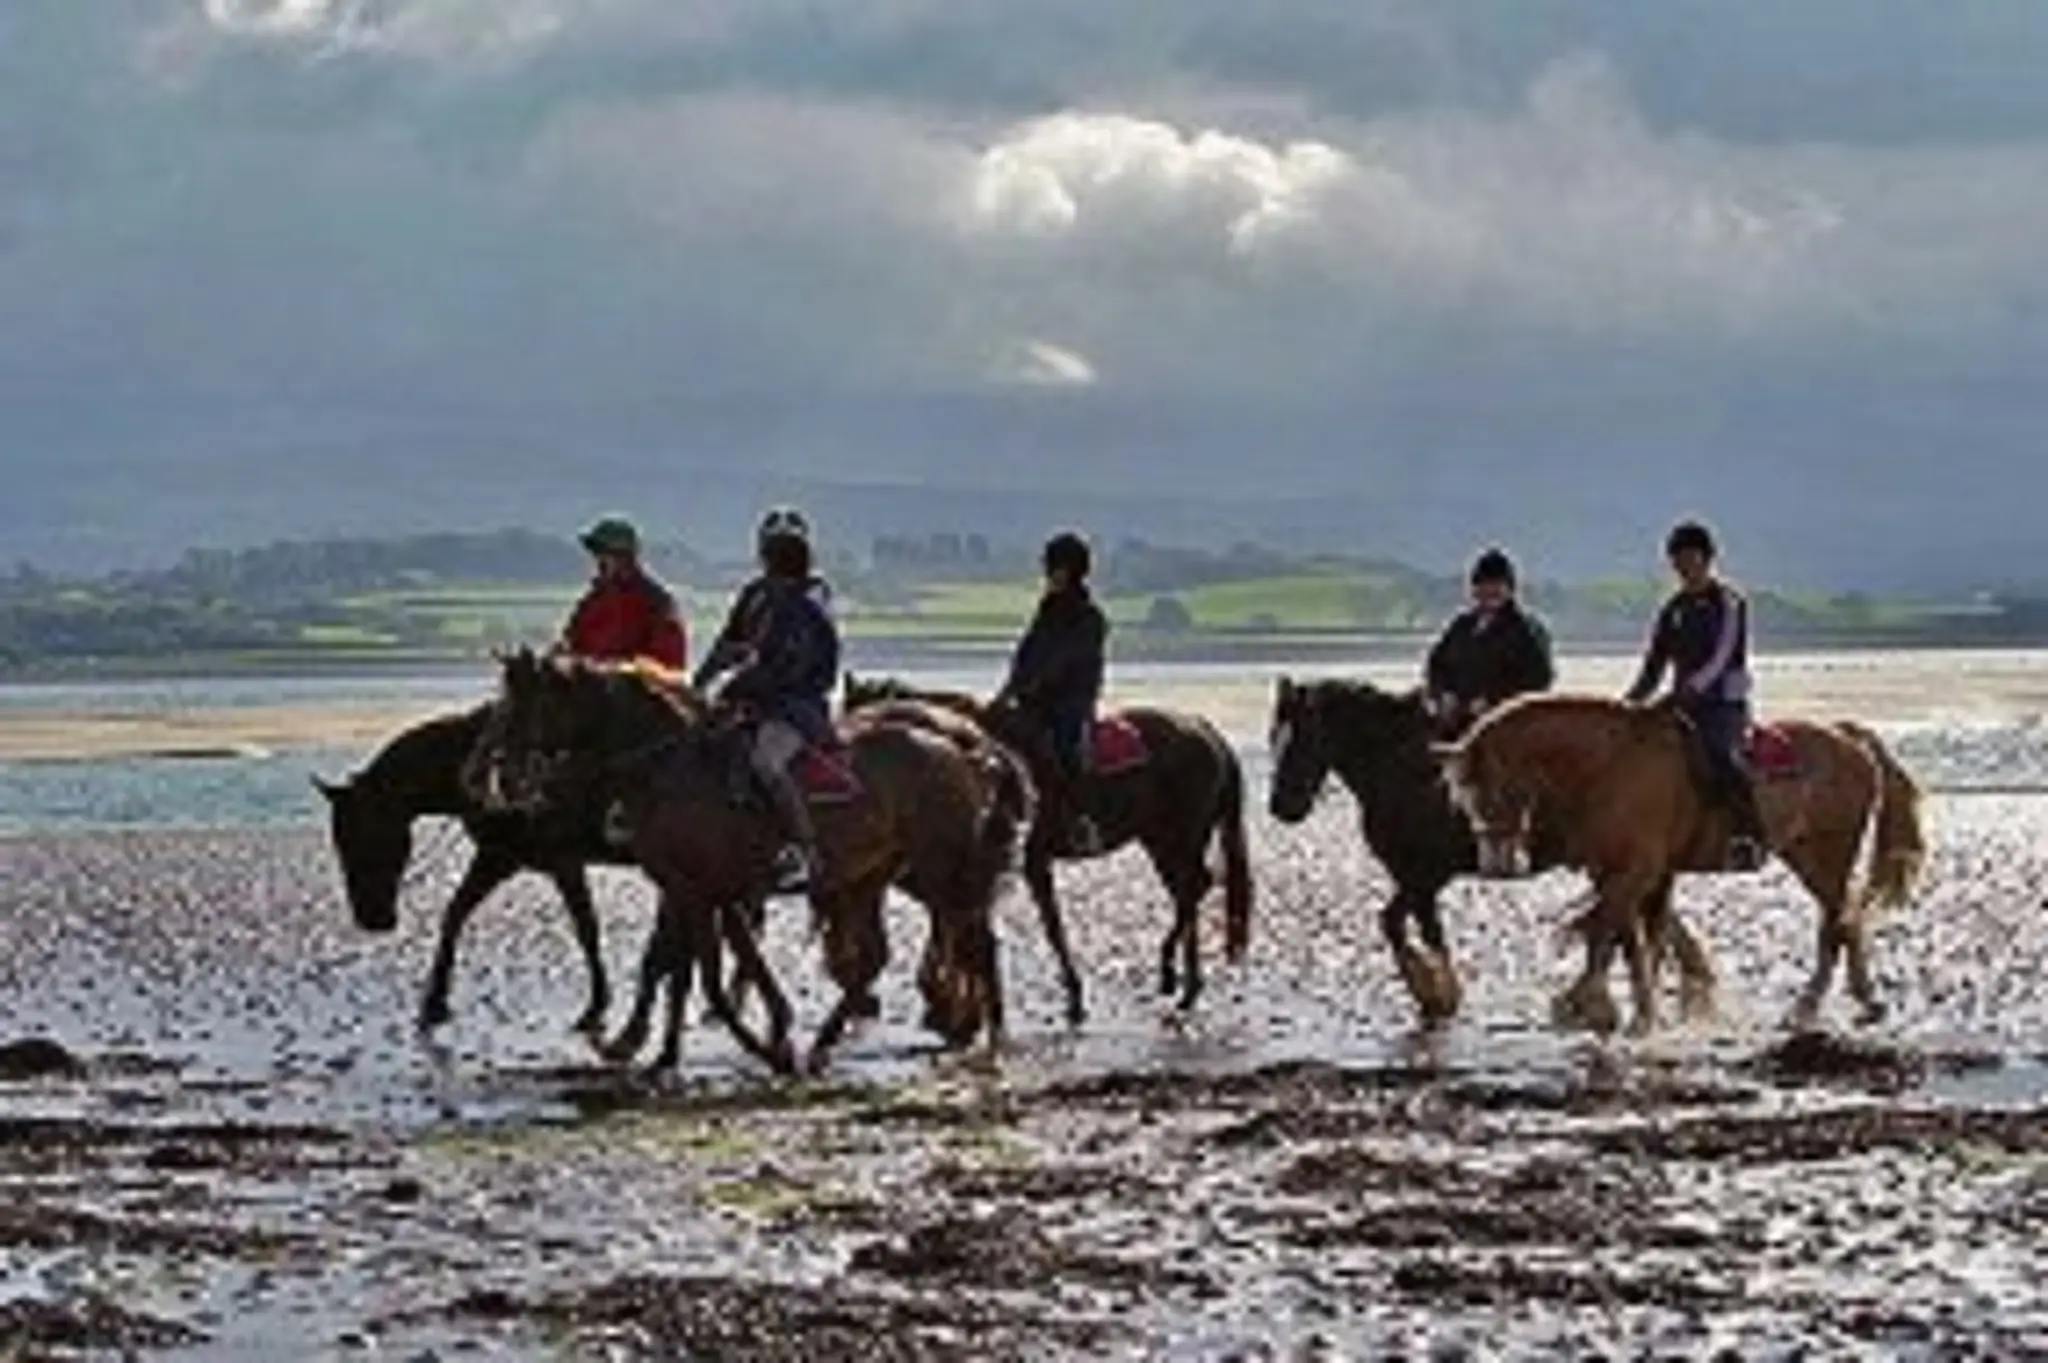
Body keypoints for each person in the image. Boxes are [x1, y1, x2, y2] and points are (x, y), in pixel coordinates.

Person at [693, 507, 842, 887]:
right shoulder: (755, 594)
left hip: (797, 707)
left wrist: (738, 687)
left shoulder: (811, 600)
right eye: (775, 549)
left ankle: (802, 849)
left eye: (787, 548)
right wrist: (699, 684)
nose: (779, 556)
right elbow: (729, 644)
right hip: (757, 701)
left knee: (767, 761)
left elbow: (790, 664)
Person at [1624, 519, 1765, 870]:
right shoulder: (1672, 609)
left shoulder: (1729, 603)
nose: (1684, 568)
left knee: (1721, 756)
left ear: (1707, 559)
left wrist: (1688, 691)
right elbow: (1654, 663)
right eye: (1678, 561)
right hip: (1683, 704)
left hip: (1721, 704)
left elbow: (1721, 656)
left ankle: (1747, 836)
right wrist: (1629, 704)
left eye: (1690, 559)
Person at [998, 531, 1110, 855]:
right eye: (1050, 568)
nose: (1049, 575)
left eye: (1056, 568)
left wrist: (1037, 684)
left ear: (1071, 571)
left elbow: (1066, 661)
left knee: (1066, 747)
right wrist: (1009, 689)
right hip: (1035, 700)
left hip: (1071, 701)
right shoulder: (1046, 610)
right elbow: (1026, 654)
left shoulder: (1090, 617)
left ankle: (1078, 819)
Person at [1424, 546, 1556, 738]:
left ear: (1510, 589)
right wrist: (1443, 694)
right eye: (1483, 585)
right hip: (1456, 720)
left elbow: (1538, 679)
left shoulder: (1526, 630)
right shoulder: (1462, 626)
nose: (1489, 591)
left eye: (1497, 585)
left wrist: (1492, 700)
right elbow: (1436, 664)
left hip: (1507, 728)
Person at [559, 516, 688, 669]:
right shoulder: (593, 601)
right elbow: (569, 641)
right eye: (597, 554)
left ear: (624, 557)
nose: (598, 561)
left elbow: (669, 666)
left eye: (604, 554)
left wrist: (619, 669)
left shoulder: (656, 604)